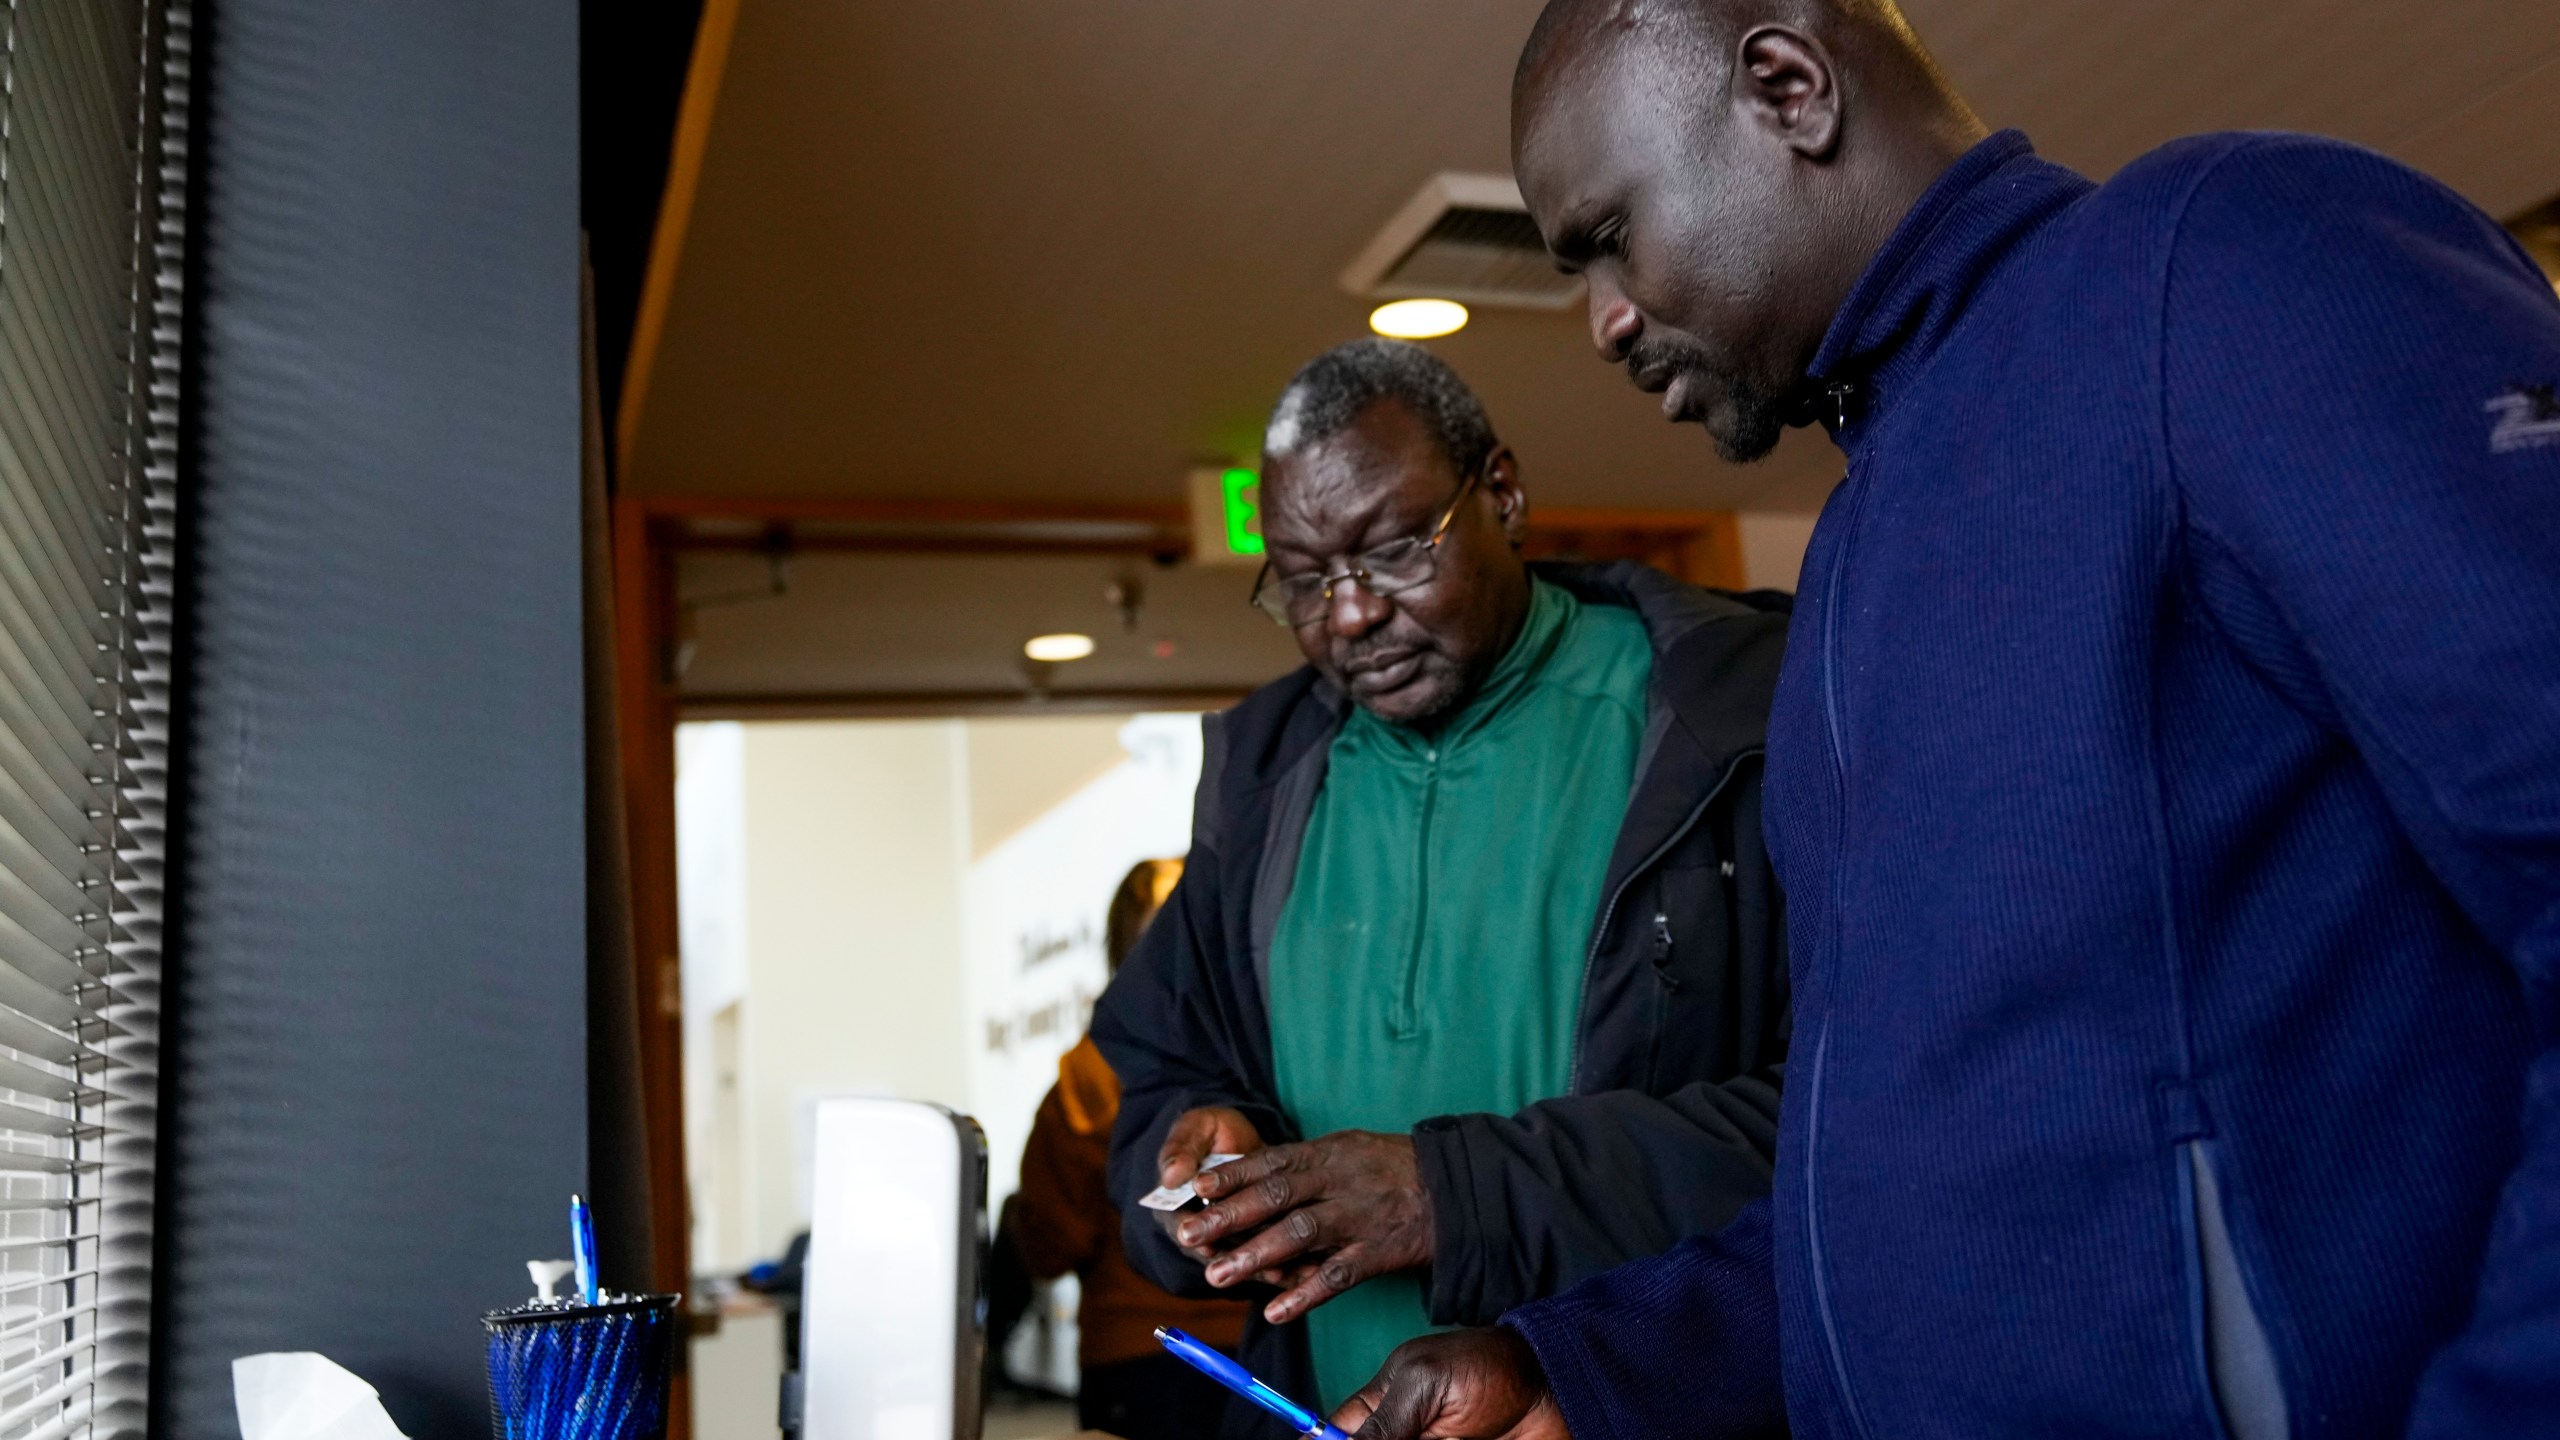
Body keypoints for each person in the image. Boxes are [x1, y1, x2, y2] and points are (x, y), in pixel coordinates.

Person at [1336, 3, 2560, 1439]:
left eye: (1609, 237)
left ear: (1788, 88)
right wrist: (1591, 1373)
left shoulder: (2218, 260)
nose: (1602, 318)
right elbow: (1905, 1190)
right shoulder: (1853, 558)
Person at [1088, 338, 1793, 1430]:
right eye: (1307, 580)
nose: (1353, 614)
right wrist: (1197, 1154)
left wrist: (1452, 1195)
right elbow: (1156, 1072)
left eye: (1394, 551)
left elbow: (1833, 1128)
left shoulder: (1728, 725)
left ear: (1501, 493)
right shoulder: (1263, 788)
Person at [1000, 858, 1254, 1440]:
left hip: (1144, 1353)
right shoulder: (1255, 1058)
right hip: (1237, 1352)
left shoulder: (1083, 1083)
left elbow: (1052, 1244)